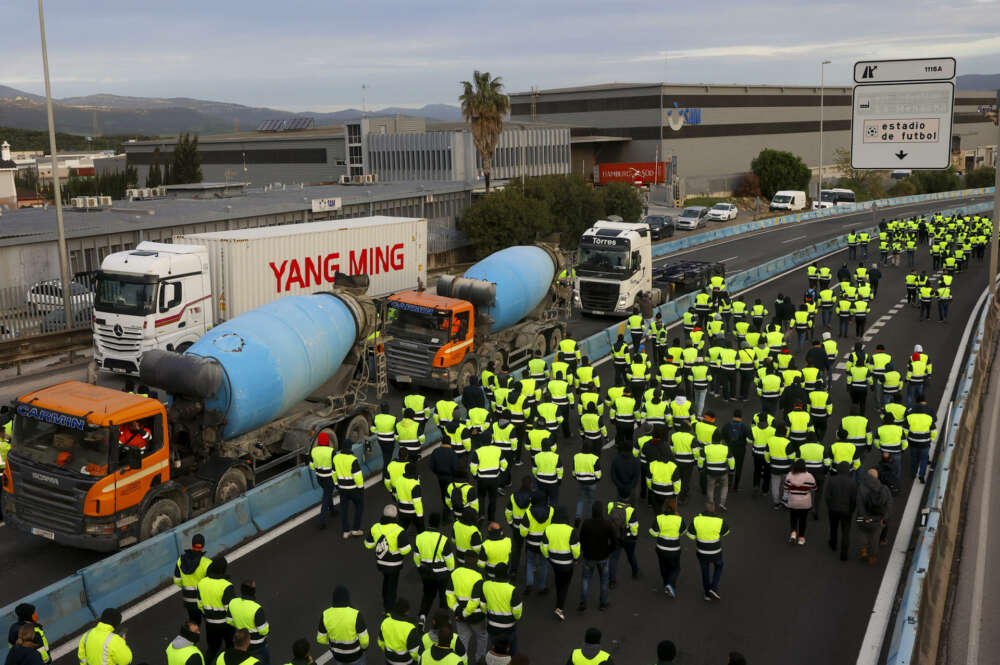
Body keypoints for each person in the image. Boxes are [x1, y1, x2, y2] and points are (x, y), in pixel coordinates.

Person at [365, 504, 412, 611]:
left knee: (386, 581)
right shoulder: (399, 530)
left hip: (381, 563)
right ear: (395, 515)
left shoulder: (375, 527)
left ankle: (385, 603)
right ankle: (389, 608)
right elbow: (405, 550)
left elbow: (368, 544)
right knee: (392, 585)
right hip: (395, 564)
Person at [414, 512, 456, 623]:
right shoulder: (443, 540)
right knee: (443, 598)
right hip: (442, 575)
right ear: (438, 524)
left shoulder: (419, 538)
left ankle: (422, 616)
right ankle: (443, 621)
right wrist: (450, 573)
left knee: (427, 596)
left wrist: (420, 568)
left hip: (426, 573)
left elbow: (416, 558)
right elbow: (450, 561)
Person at [540, 506, 581, 621]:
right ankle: (559, 608)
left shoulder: (548, 529)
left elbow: (543, 547)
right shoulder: (570, 530)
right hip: (568, 564)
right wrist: (576, 558)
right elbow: (576, 549)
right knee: (565, 585)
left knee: (558, 581)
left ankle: (559, 601)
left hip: (554, 562)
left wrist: (548, 557)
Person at [446, 552, 487, 664]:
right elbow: (475, 600)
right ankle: (479, 659)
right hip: (476, 616)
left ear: (464, 559)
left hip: (459, 616)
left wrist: (457, 610)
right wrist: (465, 613)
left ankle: (463, 661)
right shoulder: (478, 576)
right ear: (476, 561)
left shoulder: (455, 573)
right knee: (482, 636)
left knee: (463, 638)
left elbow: (449, 594)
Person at [686, 503, 730, 601]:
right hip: (716, 552)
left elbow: (690, 536)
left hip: (702, 552)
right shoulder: (719, 521)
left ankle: (707, 594)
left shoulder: (696, 520)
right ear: (714, 510)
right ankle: (713, 588)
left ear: (704, 510)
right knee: (719, 566)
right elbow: (726, 532)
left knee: (705, 571)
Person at [317, 585, 369, 665]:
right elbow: (365, 642)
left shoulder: (325, 615)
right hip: (356, 656)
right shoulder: (356, 615)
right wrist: (363, 649)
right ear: (347, 597)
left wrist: (333, 643)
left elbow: (320, 639)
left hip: (338, 657)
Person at [578, 502, 616, 612]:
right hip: (603, 557)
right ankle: (603, 603)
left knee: (585, 579)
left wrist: (585, 550)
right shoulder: (607, 524)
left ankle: (583, 602)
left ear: (592, 511)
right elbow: (614, 542)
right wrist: (608, 551)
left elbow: (581, 539)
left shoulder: (586, 523)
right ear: (602, 512)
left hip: (589, 557)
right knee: (604, 580)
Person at [198, 557, 236, 663]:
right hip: (226, 625)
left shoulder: (202, 583)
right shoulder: (226, 586)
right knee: (230, 647)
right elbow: (231, 608)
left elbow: (200, 604)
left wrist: (208, 617)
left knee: (212, 648)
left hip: (210, 624)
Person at [482, 564, 523, 656]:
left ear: (494, 574)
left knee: (496, 648)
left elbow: (483, 606)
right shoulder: (513, 590)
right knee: (512, 647)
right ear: (506, 573)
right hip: (509, 627)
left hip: (492, 626)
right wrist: (516, 618)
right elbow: (517, 613)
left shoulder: (486, 586)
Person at [228, 580, 270, 665]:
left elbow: (229, 621)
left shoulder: (232, 603)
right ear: (253, 591)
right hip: (257, 645)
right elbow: (264, 631)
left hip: (241, 643)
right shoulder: (257, 609)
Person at [648, 500, 685, 598]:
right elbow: (683, 532)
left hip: (661, 549)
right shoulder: (679, 519)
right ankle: (670, 584)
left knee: (663, 567)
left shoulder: (659, 518)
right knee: (676, 568)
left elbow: (653, 533)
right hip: (674, 550)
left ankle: (666, 585)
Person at [174, 535, 213, 623]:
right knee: (211, 625)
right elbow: (211, 584)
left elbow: (177, 580)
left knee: (194, 627)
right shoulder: (207, 563)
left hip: (189, 601)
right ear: (203, 545)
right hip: (203, 601)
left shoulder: (180, 561)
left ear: (192, 545)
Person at [857, 468, 892, 564]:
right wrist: (884, 518)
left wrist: (865, 517)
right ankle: (872, 556)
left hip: (863, 518)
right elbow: (889, 505)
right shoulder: (884, 489)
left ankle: (863, 550)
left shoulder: (861, 488)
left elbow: (859, 505)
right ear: (877, 477)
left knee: (862, 532)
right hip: (878, 519)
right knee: (875, 538)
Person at [825, 462, 858, 561]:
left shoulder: (831, 480)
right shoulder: (852, 482)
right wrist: (851, 510)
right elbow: (854, 499)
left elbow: (827, 496)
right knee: (846, 532)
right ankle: (844, 553)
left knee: (833, 528)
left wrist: (830, 506)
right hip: (846, 511)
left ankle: (833, 544)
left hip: (833, 509)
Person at [607, 491, 640, 587]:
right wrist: (635, 535)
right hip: (628, 537)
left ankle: (612, 581)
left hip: (615, 536)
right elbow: (634, 527)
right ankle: (635, 572)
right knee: (631, 556)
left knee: (614, 558)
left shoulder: (611, 505)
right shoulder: (630, 510)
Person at [334, 439, 366, 539]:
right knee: (359, 506)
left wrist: (336, 485)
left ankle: (346, 531)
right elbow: (357, 476)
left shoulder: (336, 458)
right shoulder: (353, 459)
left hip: (342, 489)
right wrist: (360, 488)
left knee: (344, 510)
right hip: (353, 489)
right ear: (350, 447)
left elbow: (333, 473)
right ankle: (356, 530)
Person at [783, 459, 817, 546]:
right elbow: (814, 488)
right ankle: (801, 538)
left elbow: (785, 487)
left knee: (793, 518)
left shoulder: (790, 475)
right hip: (805, 503)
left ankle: (793, 533)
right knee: (803, 520)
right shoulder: (810, 476)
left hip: (793, 501)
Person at [376, 598, 420, 665]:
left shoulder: (385, 622)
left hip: (389, 660)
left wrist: (388, 652)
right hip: (406, 662)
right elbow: (415, 653)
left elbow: (380, 642)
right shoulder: (410, 628)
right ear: (406, 612)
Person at [429, 434, 460, 521]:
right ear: (450, 442)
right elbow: (455, 467)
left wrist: (437, 473)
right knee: (451, 493)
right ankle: (450, 513)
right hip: (450, 477)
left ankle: (446, 510)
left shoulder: (435, 451)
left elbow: (431, 466)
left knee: (443, 493)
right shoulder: (452, 453)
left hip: (440, 477)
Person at [309, 432, 336, 530]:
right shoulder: (331, 451)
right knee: (326, 497)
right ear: (327, 441)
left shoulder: (314, 451)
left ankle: (332, 510)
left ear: (319, 441)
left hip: (319, 478)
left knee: (327, 493)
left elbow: (311, 466)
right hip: (329, 478)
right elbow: (335, 467)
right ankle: (322, 520)